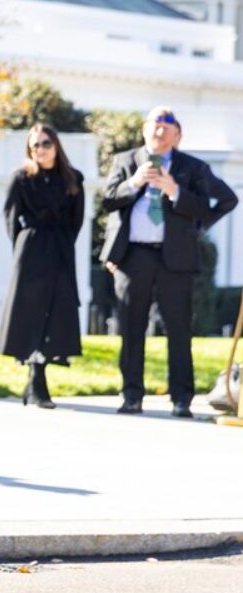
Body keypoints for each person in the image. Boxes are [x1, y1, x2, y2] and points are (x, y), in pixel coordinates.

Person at [100, 106, 237, 417]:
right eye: (155, 123)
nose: (160, 130)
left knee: (178, 331)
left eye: (167, 125)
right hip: (133, 256)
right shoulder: (125, 161)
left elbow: (222, 200)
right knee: (132, 329)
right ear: (145, 129)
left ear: (177, 135)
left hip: (175, 259)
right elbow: (107, 201)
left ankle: (181, 399)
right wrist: (134, 183)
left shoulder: (192, 167)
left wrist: (177, 193)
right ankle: (132, 395)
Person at [0, 124, 84, 409]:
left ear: (56, 145)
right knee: (31, 312)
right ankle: (36, 381)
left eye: (46, 144)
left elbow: (76, 220)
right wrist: (23, 245)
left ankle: (38, 379)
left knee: (54, 313)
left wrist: (63, 243)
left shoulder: (72, 179)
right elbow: (11, 217)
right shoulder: (21, 179)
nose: (41, 150)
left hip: (59, 250)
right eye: (35, 146)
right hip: (31, 250)